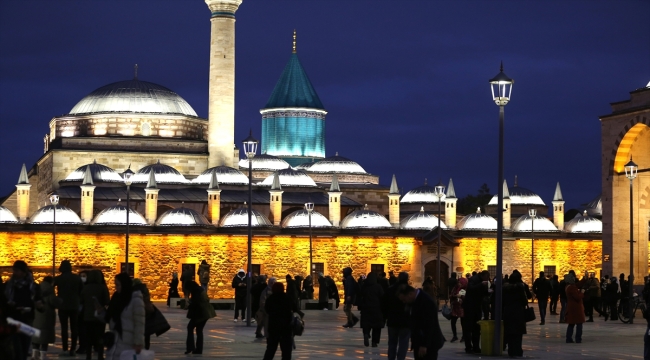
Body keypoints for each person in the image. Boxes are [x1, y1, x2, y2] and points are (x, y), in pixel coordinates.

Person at [101, 273, 145, 360]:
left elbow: (139, 323)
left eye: (118, 285)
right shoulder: (116, 298)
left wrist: (138, 342)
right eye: (115, 285)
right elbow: (109, 317)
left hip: (128, 342)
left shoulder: (135, 300)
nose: (116, 287)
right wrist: (100, 312)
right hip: (115, 340)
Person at [6, 260, 42, 360]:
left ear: (23, 272)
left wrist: (37, 304)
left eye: (17, 270)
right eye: (14, 270)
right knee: (16, 348)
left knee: (25, 346)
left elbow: (38, 301)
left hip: (27, 318)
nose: (15, 273)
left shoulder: (33, 286)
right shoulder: (9, 285)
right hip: (13, 319)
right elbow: (5, 299)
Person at [398, 285, 445, 360]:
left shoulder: (426, 301)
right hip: (419, 342)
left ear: (410, 294)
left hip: (429, 344)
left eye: (404, 299)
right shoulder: (414, 301)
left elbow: (429, 325)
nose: (404, 302)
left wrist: (424, 345)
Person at [54, 259, 83, 357]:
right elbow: (81, 291)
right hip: (74, 305)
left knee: (64, 328)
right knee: (74, 328)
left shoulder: (58, 279)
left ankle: (65, 348)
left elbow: (51, 289)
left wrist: (56, 299)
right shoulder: (77, 278)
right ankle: (73, 348)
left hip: (63, 305)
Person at [262, 282, 296, 360]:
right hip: (286, 327)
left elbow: (267, 310)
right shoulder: (287, 298)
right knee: (286, 350)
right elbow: (294, 308)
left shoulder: (270, 298)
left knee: (271, 349)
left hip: (273, 326)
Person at [81, 270, 109, 360]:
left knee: (88, 337)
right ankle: (100, 356)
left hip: (87, 317)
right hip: (99, 317)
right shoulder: (102, 288)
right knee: (100, 337)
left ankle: (88, 356)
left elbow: (81, 300)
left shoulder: (85, 288)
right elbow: (107, 301)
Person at [383, 271, 410, 360]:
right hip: (405, 321)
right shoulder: (410, 291)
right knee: (403, 343)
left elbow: (384, 304)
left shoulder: (390, 290)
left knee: (392, 343)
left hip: (392, 320)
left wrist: (385, 316)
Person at [462, 270, 490, 354]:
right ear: (483, 276)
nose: (488, 279)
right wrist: (481, 285)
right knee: (468, 327)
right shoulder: (474, 279)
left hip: (477, 306)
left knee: (476, 327)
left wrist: (488, 291)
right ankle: (468, 347)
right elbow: (471, 289)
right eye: (487, 277)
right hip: (469, 307)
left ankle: (476, 347)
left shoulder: (482, 281)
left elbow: (483, 293)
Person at [502, 270, 528, 357]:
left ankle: (511, 351)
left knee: (509, 333)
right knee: (518, 334)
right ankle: (517, 351)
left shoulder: (505, 288)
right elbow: (524, 301)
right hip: (518, 312)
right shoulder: (519, 288)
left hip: (508, 312)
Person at [185, 280, 215, 354]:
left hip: (201, 313)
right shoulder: (199, 289)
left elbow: (196, 303)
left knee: (190, 327)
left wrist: (189, 305)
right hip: (204, 313)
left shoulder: (196, 291)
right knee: (199, 330)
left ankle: (190, 347)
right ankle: (198, 349)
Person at [32, 276, 57, 360]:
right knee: (44, 338)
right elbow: (54, 302)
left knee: (36, 337)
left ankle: (34, 355)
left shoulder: (37, 289)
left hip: (36, 316)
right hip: (47, 317)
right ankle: (43, 356)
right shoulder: (50, 291)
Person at [358, 272, 384, 347]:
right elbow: (382, 297)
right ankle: (374, 342)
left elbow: (360, 295)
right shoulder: (378, 287)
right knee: (376, 327)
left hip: (366, 308)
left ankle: (366, 334)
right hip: (376, 309)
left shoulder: (364, 286)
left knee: (366, 324)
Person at [564, 274, 585, 343]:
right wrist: (582, 293)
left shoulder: (568, 287)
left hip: (571, 307)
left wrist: (584, 279)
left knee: (571, 323)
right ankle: (578, 339)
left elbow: (577, 285)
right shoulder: (572, 288)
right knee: (579, 323)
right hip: (576, 308)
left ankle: (568, 338)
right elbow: (577, 297)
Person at [449, 277, 467, 343]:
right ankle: (455, 336)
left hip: (462, 307)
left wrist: (461, 296)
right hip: (455, 307)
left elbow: (466, 297)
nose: (459, 284)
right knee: (453, 322)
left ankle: (464, 336)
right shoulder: (455, 287)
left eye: (460, 282)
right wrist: (455, 296)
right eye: (458, 282)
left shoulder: (465, 288)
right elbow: (451, 294)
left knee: (463, 323)